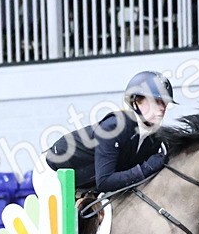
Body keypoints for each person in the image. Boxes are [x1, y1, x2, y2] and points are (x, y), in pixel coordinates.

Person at [44, 71, 177, 195]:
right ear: (136, 102)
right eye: (156, 102)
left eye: (164, 103)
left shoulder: (154, 138)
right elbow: (105, 181)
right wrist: (145, 169)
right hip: (52, 172)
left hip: (86, 184)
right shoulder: (113, 127)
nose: (161, 109)